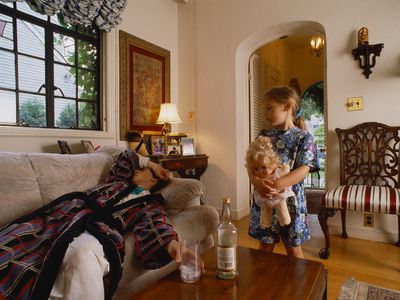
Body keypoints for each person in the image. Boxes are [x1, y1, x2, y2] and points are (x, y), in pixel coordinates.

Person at [0, 149, 203, 300]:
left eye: (141, 170)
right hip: (61, 216)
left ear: (154, 180)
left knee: (83, 254)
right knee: (16, 241)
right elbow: (126, 157)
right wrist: (151, 163)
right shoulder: (115, 182)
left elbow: (157, 225)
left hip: (95, 228)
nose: (137, 170)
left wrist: (174, 246)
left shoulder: (148, 203)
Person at [248, 86, 317, 259]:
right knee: (265, 244)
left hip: (291, 202)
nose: (266, 113)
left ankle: (299, 285)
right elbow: (251, 166)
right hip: (265, 199)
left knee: (293, 248)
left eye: (270, 108)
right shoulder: (263, 136)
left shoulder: (304, 138)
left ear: (287, 106)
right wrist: (257, 183)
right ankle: (265, 282)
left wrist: (277, 185)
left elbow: (304, 169)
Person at [245, 136, 295, 228]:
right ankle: (265, 222)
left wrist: (277, 184)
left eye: (264, 167)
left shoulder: (276, 172)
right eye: (256, 169)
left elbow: (286, 169)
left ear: (272, 165)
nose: (260, 172)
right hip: (264, 197)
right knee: (265, 208)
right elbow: (250, 173)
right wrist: (257, 182)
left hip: (279, 195)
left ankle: (284, 219)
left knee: (281, 204)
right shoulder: (261, 136)